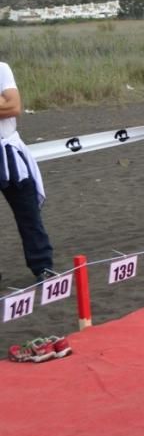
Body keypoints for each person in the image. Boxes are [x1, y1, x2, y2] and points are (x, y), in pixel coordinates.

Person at [0, 61, 55, 284]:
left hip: (8, 151)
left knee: (28, 213)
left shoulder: (1, 69)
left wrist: (6, 103)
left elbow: (13, 107)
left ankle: (42, 266)